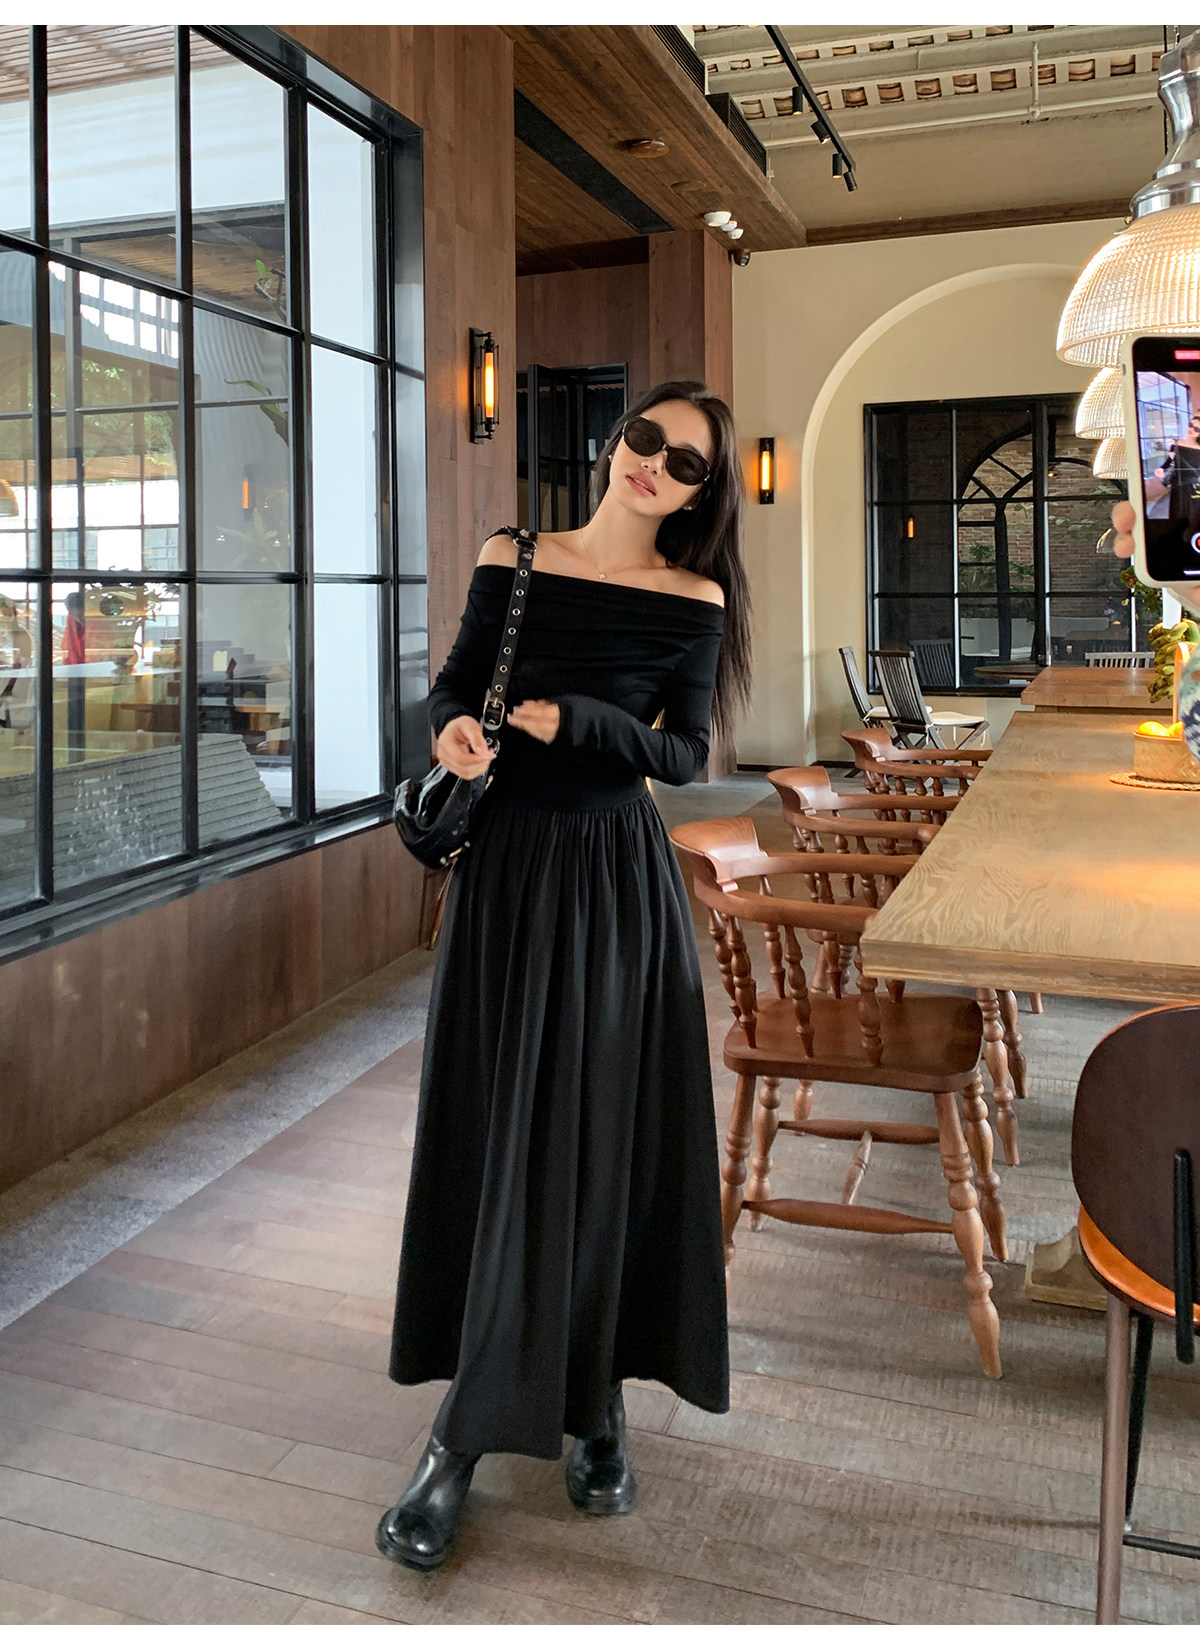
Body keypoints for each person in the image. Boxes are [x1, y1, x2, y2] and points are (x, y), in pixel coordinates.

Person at [376, 381, 753, 1572]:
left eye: (684, 463)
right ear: (613, 441)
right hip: (507, 879)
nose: (653, 465)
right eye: (645, 439)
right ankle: (461, 1433)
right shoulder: (515, 556)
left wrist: (579, 720)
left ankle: (598, 1404)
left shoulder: (692, 599)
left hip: (611, 880)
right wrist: (452, 732)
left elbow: (683, 755)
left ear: (700, 496)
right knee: (499, 1140)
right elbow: (453, 685)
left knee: (602, 1138)